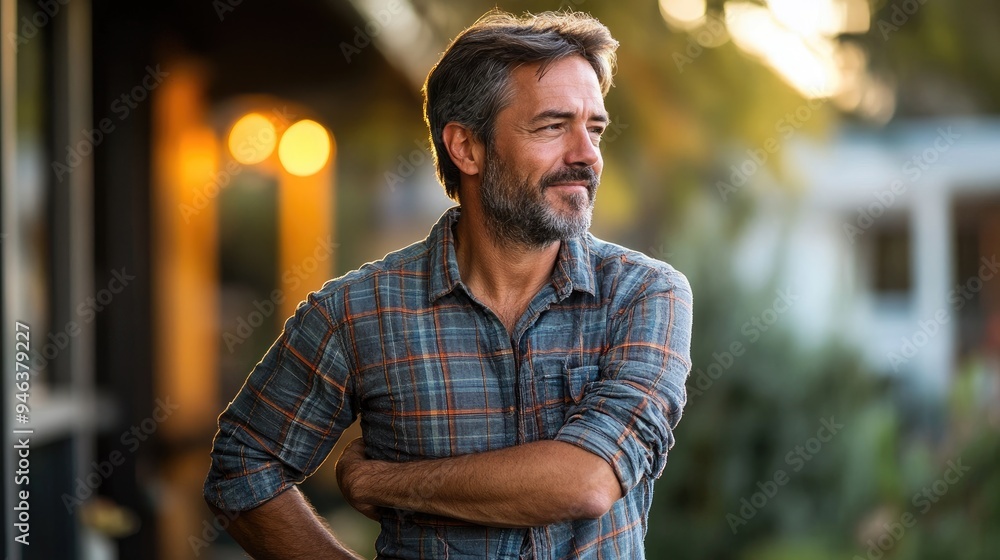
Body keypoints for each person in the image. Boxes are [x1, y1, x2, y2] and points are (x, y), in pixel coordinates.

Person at [204, 9, 693, 559]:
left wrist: (381, 483)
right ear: (466, 148)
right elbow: (241, 466)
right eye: (553, 127)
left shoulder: (644, 295)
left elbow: (588, 480)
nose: (587, 155)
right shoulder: (358, 312)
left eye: (594, 128)